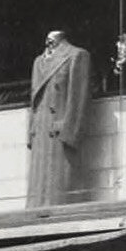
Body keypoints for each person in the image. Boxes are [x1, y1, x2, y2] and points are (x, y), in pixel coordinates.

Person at [26, 29, 96, 209]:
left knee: (59, 197)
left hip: (59, 136)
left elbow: (79, 99)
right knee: (38, 198)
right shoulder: (38, 61)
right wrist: (31, 132)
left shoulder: (77, 55)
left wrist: (70, 134)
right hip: (40, 134)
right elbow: (34, 102)